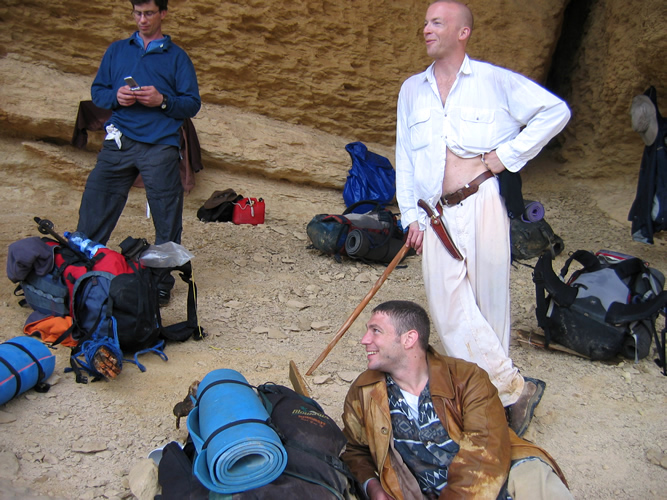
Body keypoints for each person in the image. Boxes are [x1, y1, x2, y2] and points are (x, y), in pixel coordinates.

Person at [395, 0, 571, 435]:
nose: (426, 29)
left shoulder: (494, 82)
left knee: (490, 306)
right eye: (426, 22)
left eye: (436, 22)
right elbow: (404, 157)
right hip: (435, 215)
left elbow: (556, 112)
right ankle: (514, 389)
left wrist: (504, 158)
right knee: (448, 307)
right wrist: (409, 218)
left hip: (483, 203)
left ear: (462, 32)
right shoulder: (411, 90)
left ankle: (487, 403)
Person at [341, 300, 573, 500]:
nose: (364, 340)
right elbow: (355, 450)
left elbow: (484, 451)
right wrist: (373, 488)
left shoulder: (467, 378)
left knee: (536, 480)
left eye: (375, 331)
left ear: (409, 338)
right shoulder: (365, 390)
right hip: (429, 492)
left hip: (500, 474)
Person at [76, 0, 201, 306]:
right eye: (137, 13)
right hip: (119, 140)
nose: (142, 20)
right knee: (97, 200)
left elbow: (191, 104)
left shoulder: (177, 57)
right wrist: (115, 97)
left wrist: (161, 100)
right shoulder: (117, 50)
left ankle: (160, 282)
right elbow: (98, 91)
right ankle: (81, 267)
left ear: (163, 14)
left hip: (160, 144)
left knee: (166, 214)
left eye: (149, 13)